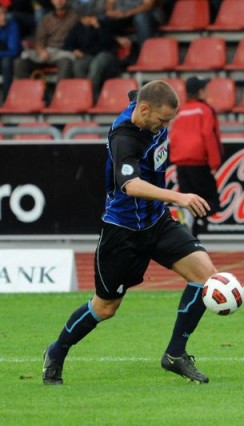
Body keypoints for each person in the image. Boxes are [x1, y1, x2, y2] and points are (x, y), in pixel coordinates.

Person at [42, 79, 220, 385]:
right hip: (123, 231)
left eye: (170, 120)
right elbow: (130, 185)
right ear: (145, 110)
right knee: (105, 307)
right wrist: (179, 197)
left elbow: (141, 94)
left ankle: (175, 354)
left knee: (206, 276)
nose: (166, 126)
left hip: (157, 222)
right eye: (163, 120)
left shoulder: (147, 108)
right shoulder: (124, 137)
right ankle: (56, 352)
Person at [168, 76, 222, 237]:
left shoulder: (181, 111)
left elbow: (173, 136)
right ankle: (189, 219)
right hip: (199, 163)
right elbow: (209, 135)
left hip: (181, 164)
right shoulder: (205, 109)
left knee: (189, 200)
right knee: (212, 202)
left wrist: (177, 158)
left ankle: (190, 232)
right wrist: (214, 163)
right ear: (200, 92)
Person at [12, 0, 78, 81]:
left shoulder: (75, 18)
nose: (59, 1)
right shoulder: (47, 18)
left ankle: (60, 89)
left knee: (66, 63)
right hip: (46, 52)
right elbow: (39, 39)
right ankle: (31, 88)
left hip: (63, 53)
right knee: (19, 63)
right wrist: (41, 51)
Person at [62, 8, 121, 97]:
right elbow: (67, 44)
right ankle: (83, 94)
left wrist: (98, 27)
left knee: (96, 65)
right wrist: (74, 50)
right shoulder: (77, 28)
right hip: (88, 55)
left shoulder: (103, 24)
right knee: (78, 66)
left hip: (106, 54)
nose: (88, 19)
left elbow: (109, 42)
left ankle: (91, 95)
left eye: (91, 17)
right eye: (85, 17)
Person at [0, 5, 22, 103]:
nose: (4, 17)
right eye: (0, 15)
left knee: (6, 63)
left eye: (4, 14)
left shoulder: (12, 26)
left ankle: (6, 99)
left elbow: (14, 50)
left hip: (10, 58)